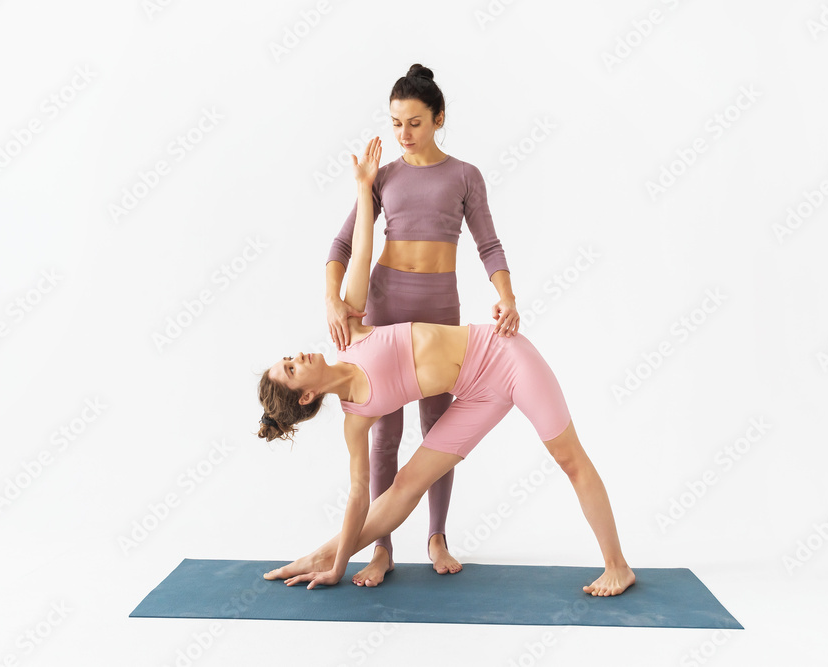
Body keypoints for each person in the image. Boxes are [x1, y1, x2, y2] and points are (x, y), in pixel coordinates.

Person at [257, 137, 636, 596]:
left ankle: (617, 565)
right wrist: (336, 562)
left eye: (289, 357)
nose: (298, 356)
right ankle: (326, 554)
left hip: (504, 358)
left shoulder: (352, 330)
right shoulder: (355, 423)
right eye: (293, 369)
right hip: (476, 397)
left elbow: (360, 250)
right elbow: (361, 497)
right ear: (306, 396)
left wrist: (363, 189)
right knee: (403, 487)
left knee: (568, 458)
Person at [324, 63, 520, 584]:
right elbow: (342, 246)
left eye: (413, 122)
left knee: (438, 427)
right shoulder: (383, 176)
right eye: (395, 123)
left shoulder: (464, 176)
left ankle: (436, 535)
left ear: (437, 119)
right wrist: (330, 299)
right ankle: (380, 546)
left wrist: (506, 296)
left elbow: (488, 244)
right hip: (386, 308)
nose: (403, 134)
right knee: (385, 432)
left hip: (439, 309)